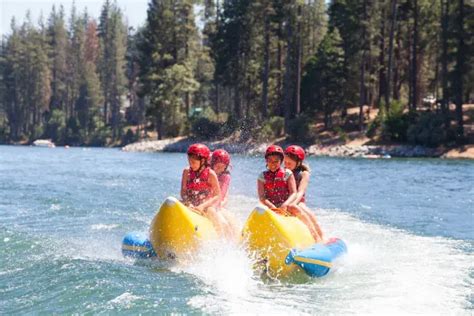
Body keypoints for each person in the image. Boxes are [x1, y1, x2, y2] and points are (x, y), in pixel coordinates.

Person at [180, 143, 227, 236]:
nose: (191, 165)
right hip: (190, 203)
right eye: (189, 162)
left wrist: (202, 206)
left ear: (203, 161)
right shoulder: (186, 172)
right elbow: (183, 192)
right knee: (176, 202)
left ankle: (221, 239)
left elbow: (218, 195)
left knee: (211, 211)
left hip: (206, 205)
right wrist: (188, 202)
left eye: (193, 162)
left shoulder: (211, 174)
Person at [284, 145, 323, 242]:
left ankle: (318, 237)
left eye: (289, 163)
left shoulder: (304, 174)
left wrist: (293, 203)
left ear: (298, 163)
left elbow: (300, 191)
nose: (286, 165)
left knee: (303, 210)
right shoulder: (283, 172)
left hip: (298, 201)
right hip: (285, 200)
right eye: (285, 162)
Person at [257, 145, 297, 213]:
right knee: (258, 209)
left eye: (276, 161)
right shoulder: (262, 177)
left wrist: (285, 205)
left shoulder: (287, 173)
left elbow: (293, 193)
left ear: (281, 161)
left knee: (294, 208)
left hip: (285, 207)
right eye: (270, 161)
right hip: (270, 207)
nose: (273, 164)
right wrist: (273, 208)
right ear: (266, 161)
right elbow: (262, 197)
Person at [210, 149, 239, 239]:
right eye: (217, 166)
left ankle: (226, 241)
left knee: (225, 224)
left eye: (222, 167)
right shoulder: (207, 172)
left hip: (218, 204)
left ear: (226, 167)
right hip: (207, 201)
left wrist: (216, 207)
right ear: (212, 164)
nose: (219, 169)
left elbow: (221, 196)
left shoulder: (225, 176)